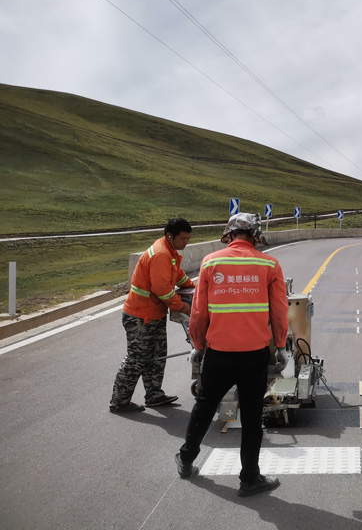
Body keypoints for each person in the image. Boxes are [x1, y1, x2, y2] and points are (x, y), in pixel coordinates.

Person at [175, 212, 289, 497]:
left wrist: (198, 345)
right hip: (255, 355)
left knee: (204, 406)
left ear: (230, 234)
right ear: (255, 236)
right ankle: (250, 478)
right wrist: (282, 345)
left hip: (219, 353)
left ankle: (186, 460)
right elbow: (279, 310)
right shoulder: (269, 264)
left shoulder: (210, 262)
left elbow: (199, 311)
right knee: (252, 417)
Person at [110, 217, 194, 413]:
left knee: (157, 355)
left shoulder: (170, 251)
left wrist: (192, 286)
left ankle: (154, 395)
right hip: (140, 316)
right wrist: (184, 307)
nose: (186, 243)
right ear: (170, 236)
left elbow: (177, 275)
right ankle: (119, 401)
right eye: (183, 239)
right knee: (136, 359)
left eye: (188, 238)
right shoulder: (161, 254)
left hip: (153, 315)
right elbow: (162, 289)